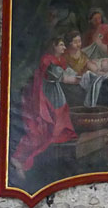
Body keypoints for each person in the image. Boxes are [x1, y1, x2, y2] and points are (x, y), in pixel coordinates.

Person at [10, 38, 79, 179]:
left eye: (64, 45)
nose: (64, 47)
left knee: (56, 131)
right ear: (54, 46)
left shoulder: (59, 60)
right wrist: (85, 79)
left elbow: (70, 72)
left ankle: (22, 161)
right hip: (47, 100)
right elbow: (64, 78)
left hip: (56, 98)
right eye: (61, 45)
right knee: (40, 133)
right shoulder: (48, 61)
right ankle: (18, 159)